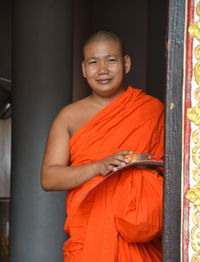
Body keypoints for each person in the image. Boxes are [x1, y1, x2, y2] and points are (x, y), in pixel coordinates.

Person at [41, 30, 164, 262]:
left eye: (111, 60)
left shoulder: (151, 110)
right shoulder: (69, 117)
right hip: (89, 238)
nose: (103, 70)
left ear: (125, 63)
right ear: (84, 69)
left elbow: (176, 172)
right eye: (93, 62)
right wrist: (100, 166)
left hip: (140, 234)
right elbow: (49, 178)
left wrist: (140, 169)